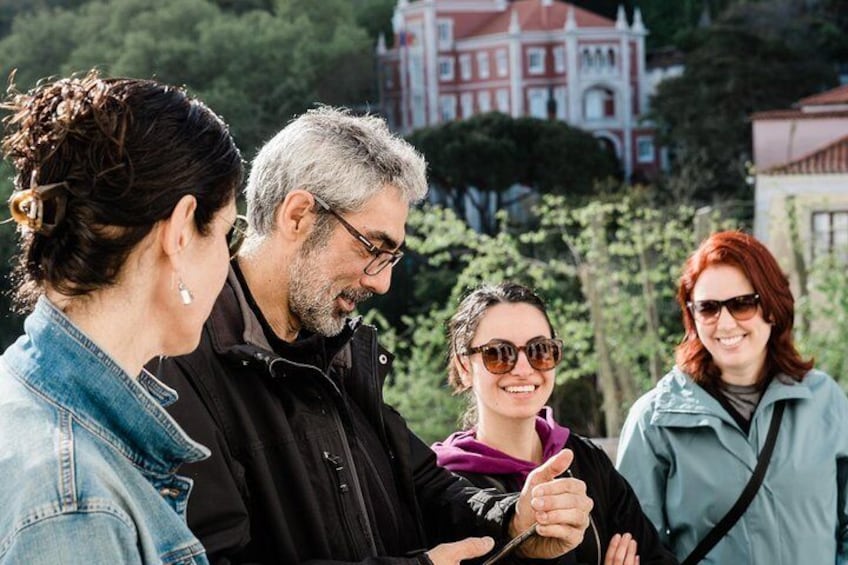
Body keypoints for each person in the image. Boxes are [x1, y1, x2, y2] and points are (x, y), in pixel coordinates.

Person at [152, 106, 596, 565]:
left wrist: (513, 519)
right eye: (372, 247)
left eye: (392, 256)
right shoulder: (180, 360)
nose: (380, 282)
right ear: (299, 215)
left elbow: (424, 484)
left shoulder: (339, 349)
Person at [0, 71, 244, 564]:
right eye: (226, 235)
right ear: (179, 232)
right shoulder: (74, 506)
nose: (229, 261)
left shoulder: (25, 393)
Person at [615, 230, 848, 564]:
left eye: (742, 304)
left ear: (771, 306)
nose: (724, 324)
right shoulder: (653, 421)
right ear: (692, 317)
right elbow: (637, 547)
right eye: (708, 308)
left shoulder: (825, 401)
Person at [432, 282, 678, 565]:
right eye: (498, 354)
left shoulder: (586, 460)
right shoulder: (445, 486)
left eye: (539, 350)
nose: (523, 369)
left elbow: (654, 557)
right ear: (465, 368)